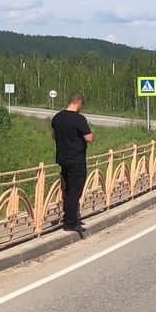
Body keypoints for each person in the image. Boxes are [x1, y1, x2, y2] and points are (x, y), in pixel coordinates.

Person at [51, 91, 94, 234]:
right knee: (75, 191)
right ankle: (71, 222)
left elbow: (53, 136)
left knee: (68, 190)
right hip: (76, 160)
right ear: (79, 103)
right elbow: (89, 138)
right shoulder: (79, 119)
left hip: (62, 159)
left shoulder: (57, 117)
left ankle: (68, 216)